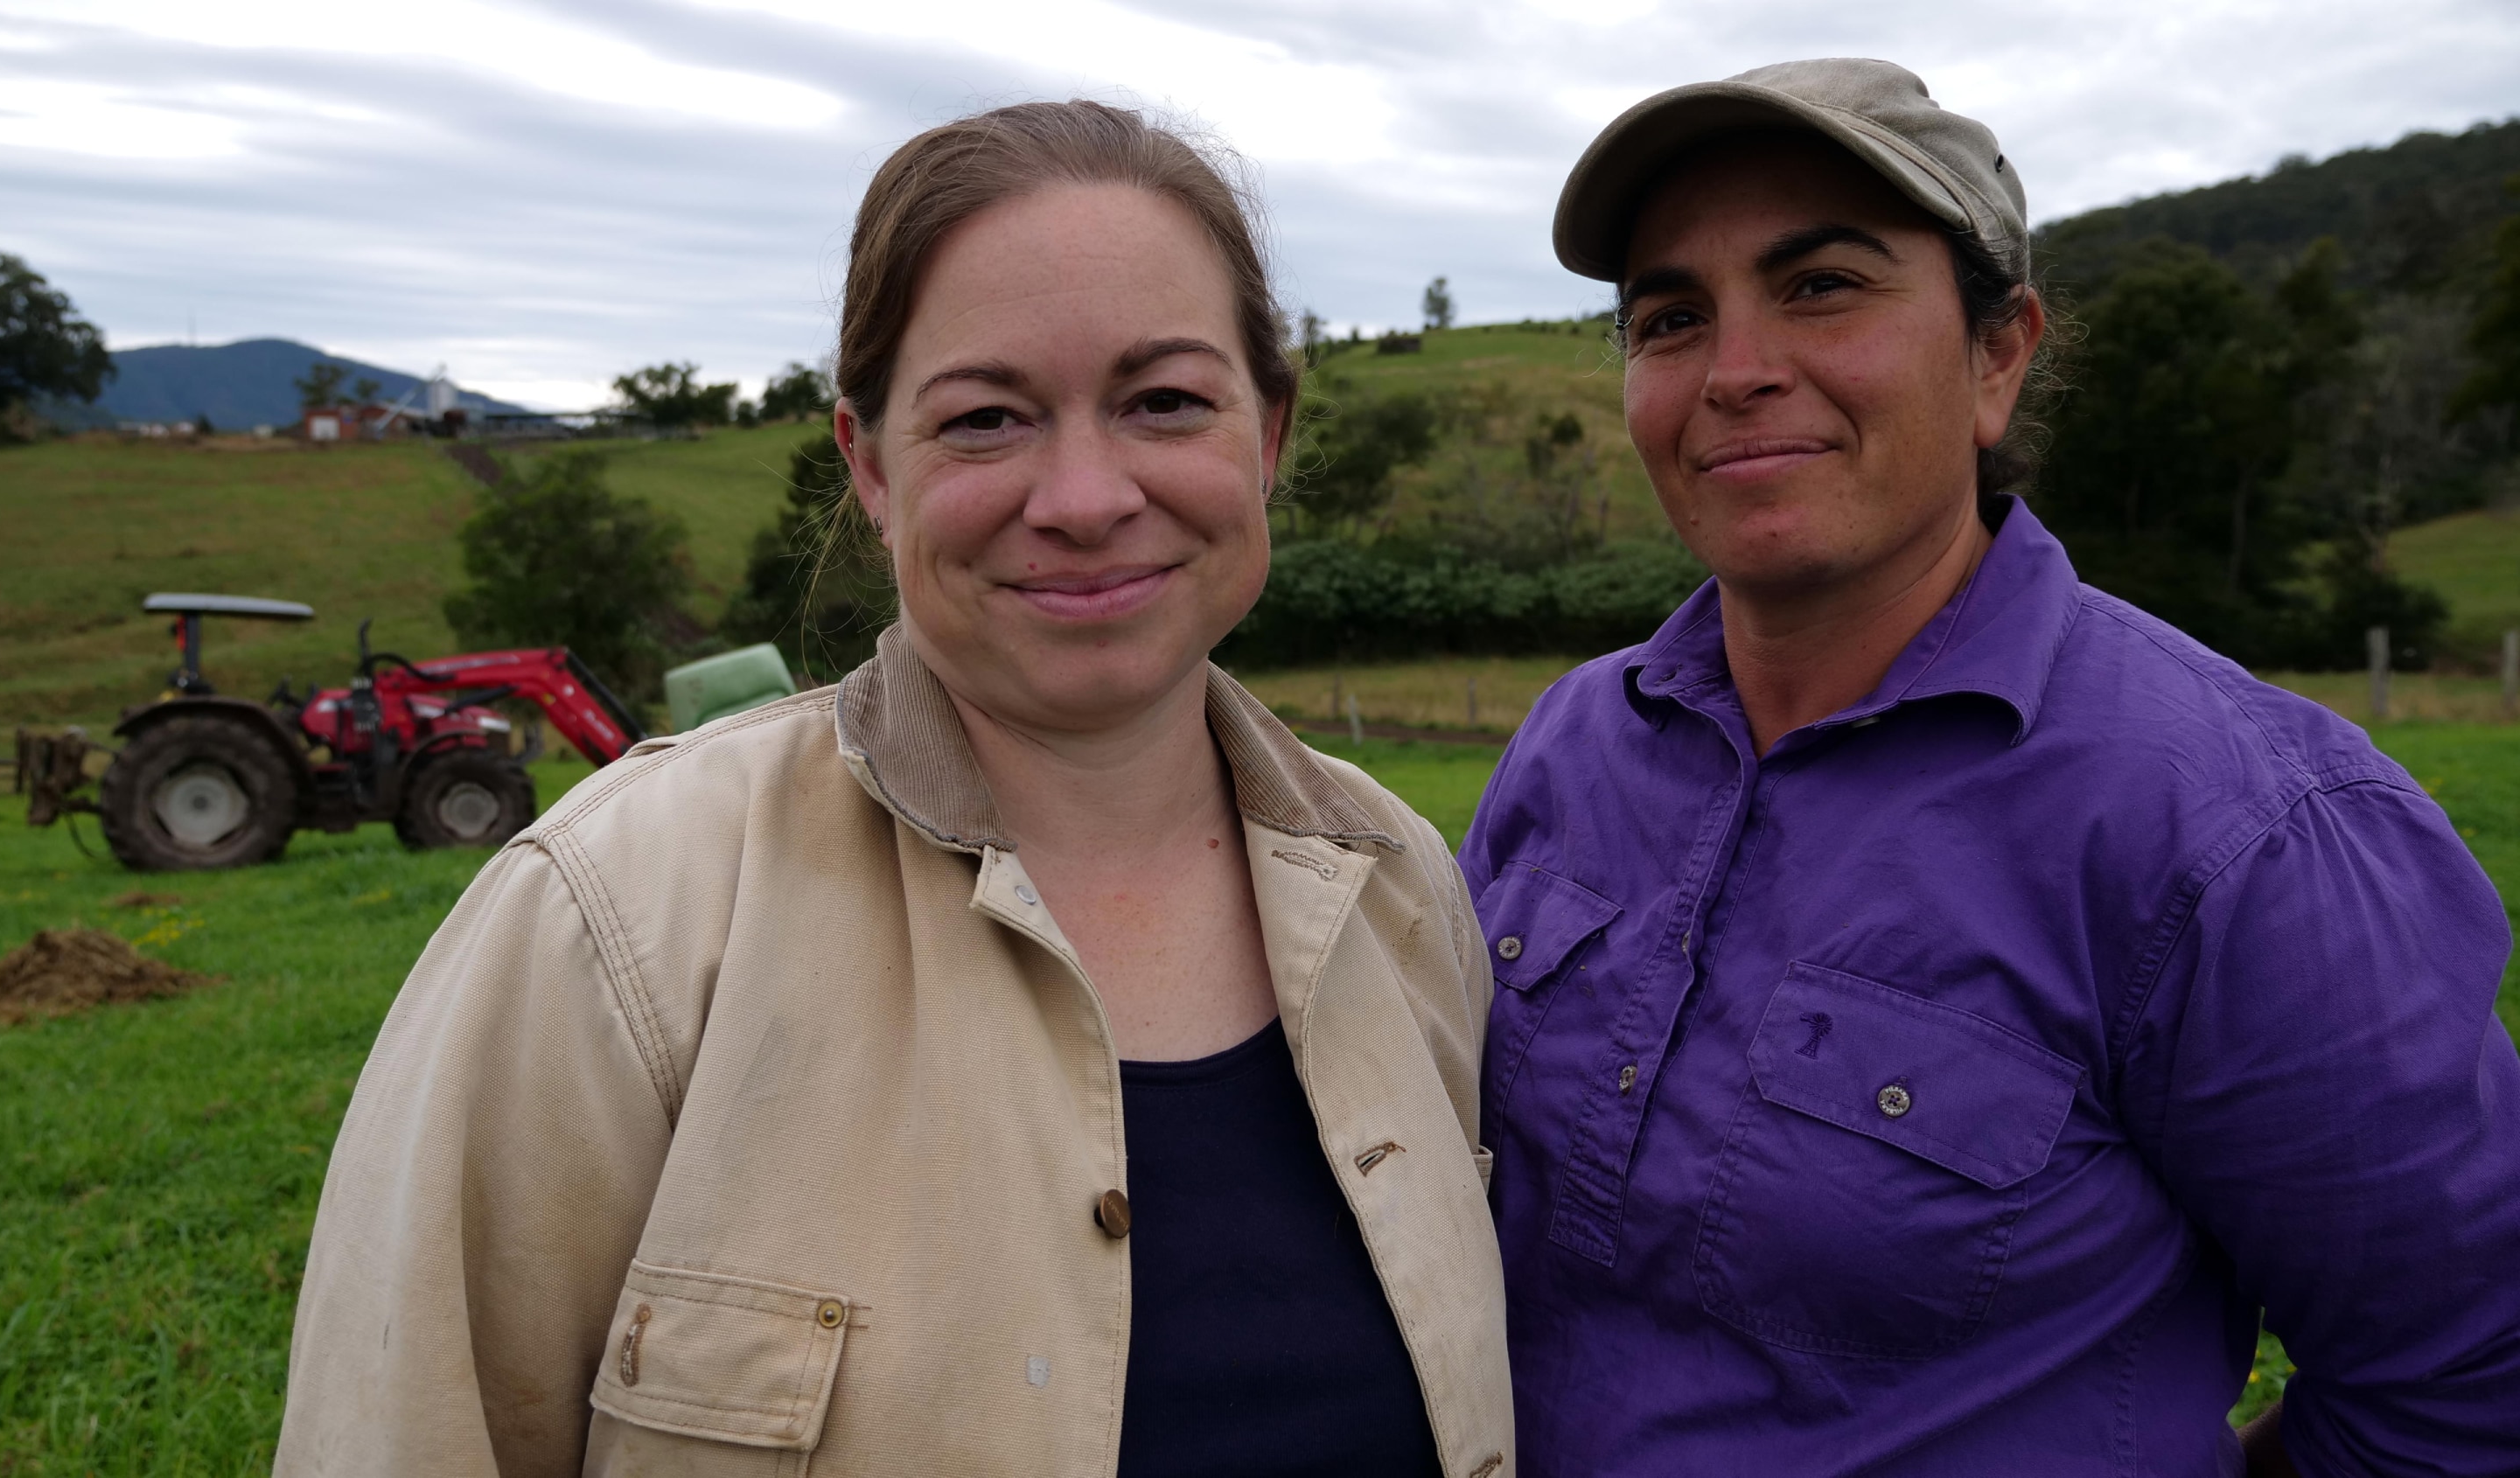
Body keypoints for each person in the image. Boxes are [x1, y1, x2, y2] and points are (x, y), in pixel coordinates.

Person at [276, 101, 1513, 1478]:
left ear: (1269, 433)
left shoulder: (1401, 887)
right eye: (986, 419)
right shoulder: (613, 917)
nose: (1087, 495)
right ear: (870, 465)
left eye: (1165, 400)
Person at [1463, 58, 2520, 1478]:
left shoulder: (2239, 826)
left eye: (1823, 284)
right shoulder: (1572, 747)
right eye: (1670, 317)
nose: (1735, 370)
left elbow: (2465, 1381)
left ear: (1999, 353)